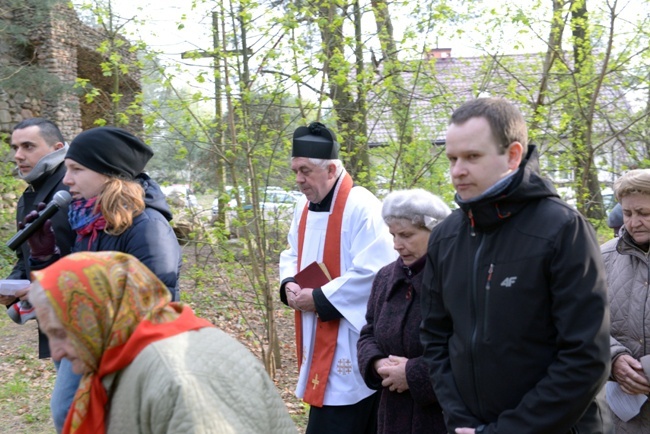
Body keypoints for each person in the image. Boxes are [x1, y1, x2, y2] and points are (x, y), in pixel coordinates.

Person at [420, 97, 611, 434]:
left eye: (472, 157)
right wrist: (460, 421)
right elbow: (436, 338)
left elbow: (585, 358)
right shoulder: (446, 236)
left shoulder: (563, 229)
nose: (457, 170)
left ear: (512, 155)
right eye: (452, 158)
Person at [28, 250, 296, 434]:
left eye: (62, 333)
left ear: (96, 314)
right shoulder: (121, 355)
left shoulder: (183, 378)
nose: (56, 351)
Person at [23, 126, 182, 432]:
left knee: (77, 414)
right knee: (71, 413)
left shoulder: (147, 227)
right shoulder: (90, 221)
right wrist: (44, 254)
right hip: (85, 340)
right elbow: (76, 286)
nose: (67, 180)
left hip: (123, 354)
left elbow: (156, 300)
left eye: (76, 169)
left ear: (109, 173)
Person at [279, 121, 396, 434]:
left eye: (304, 171)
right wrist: (288, 282)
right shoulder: (302, 207)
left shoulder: (363, 206)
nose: (298, 180)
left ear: (331, 170)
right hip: (313, 331)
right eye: (295, 171)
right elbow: (291, 250)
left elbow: (376, 270)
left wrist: (319, 299)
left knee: (343, 415)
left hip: (348, 335)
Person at [357, 189, 450, 434]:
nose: (397, 245)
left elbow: (469, 351)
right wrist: (377, 363)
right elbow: (368, 333)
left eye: (407, 235)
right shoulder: (386, 277)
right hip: (392, 415)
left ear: (435, 231)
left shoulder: (456, 278)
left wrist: (413, 374)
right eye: (393, 235)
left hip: (442, 418)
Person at [1, 118, 75, 354]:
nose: (18, 156)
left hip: (84, 321)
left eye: (28, 146)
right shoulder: (28, 196)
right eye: (15, 148)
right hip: (52, 321)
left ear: (57, 149)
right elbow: (27, 256)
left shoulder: (75, 189)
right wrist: (12, 287)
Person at [601, 169, 650, 432]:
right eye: (628, 214)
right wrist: (613, 359)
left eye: (644, 213)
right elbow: (583, 323)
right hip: (624, 418)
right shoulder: (603, 258)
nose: (634, 222)